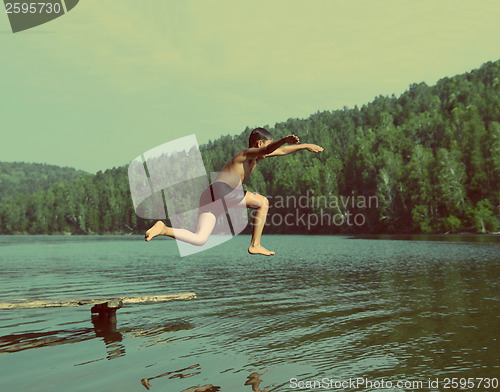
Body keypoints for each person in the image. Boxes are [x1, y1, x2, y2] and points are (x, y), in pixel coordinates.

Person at [145, 127, 324, 255]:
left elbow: (282, 150)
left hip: (211, 195)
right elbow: (273, 148)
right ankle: (255, 244)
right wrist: (283, 139)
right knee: (263, 202)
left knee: (200, 239)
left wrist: (304, 145)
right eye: (267, 146)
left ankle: (163, 229)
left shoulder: (257, 157)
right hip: (223, 191)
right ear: (259, 143)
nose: (269, 152)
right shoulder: (245, 154)